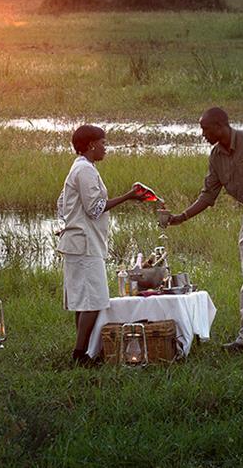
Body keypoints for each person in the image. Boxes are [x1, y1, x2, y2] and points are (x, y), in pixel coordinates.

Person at [160, 107, 243, 352]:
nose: (203, 134)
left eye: (205, 129)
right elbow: (208, 195)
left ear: (221, 126)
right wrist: (180, 217)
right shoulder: (216, 155)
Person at [57, 124, 147, 366]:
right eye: (103, 143)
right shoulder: (85, 170)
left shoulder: (80, 168)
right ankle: (80, 354)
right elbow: (95, 209)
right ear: (91, 145)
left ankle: (83, 352)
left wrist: (68, 221)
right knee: (94, 301)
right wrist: (129, 196)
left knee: (84, 302)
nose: (106, 147)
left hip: (78, 242)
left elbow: (61, 203)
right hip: (84, 245)